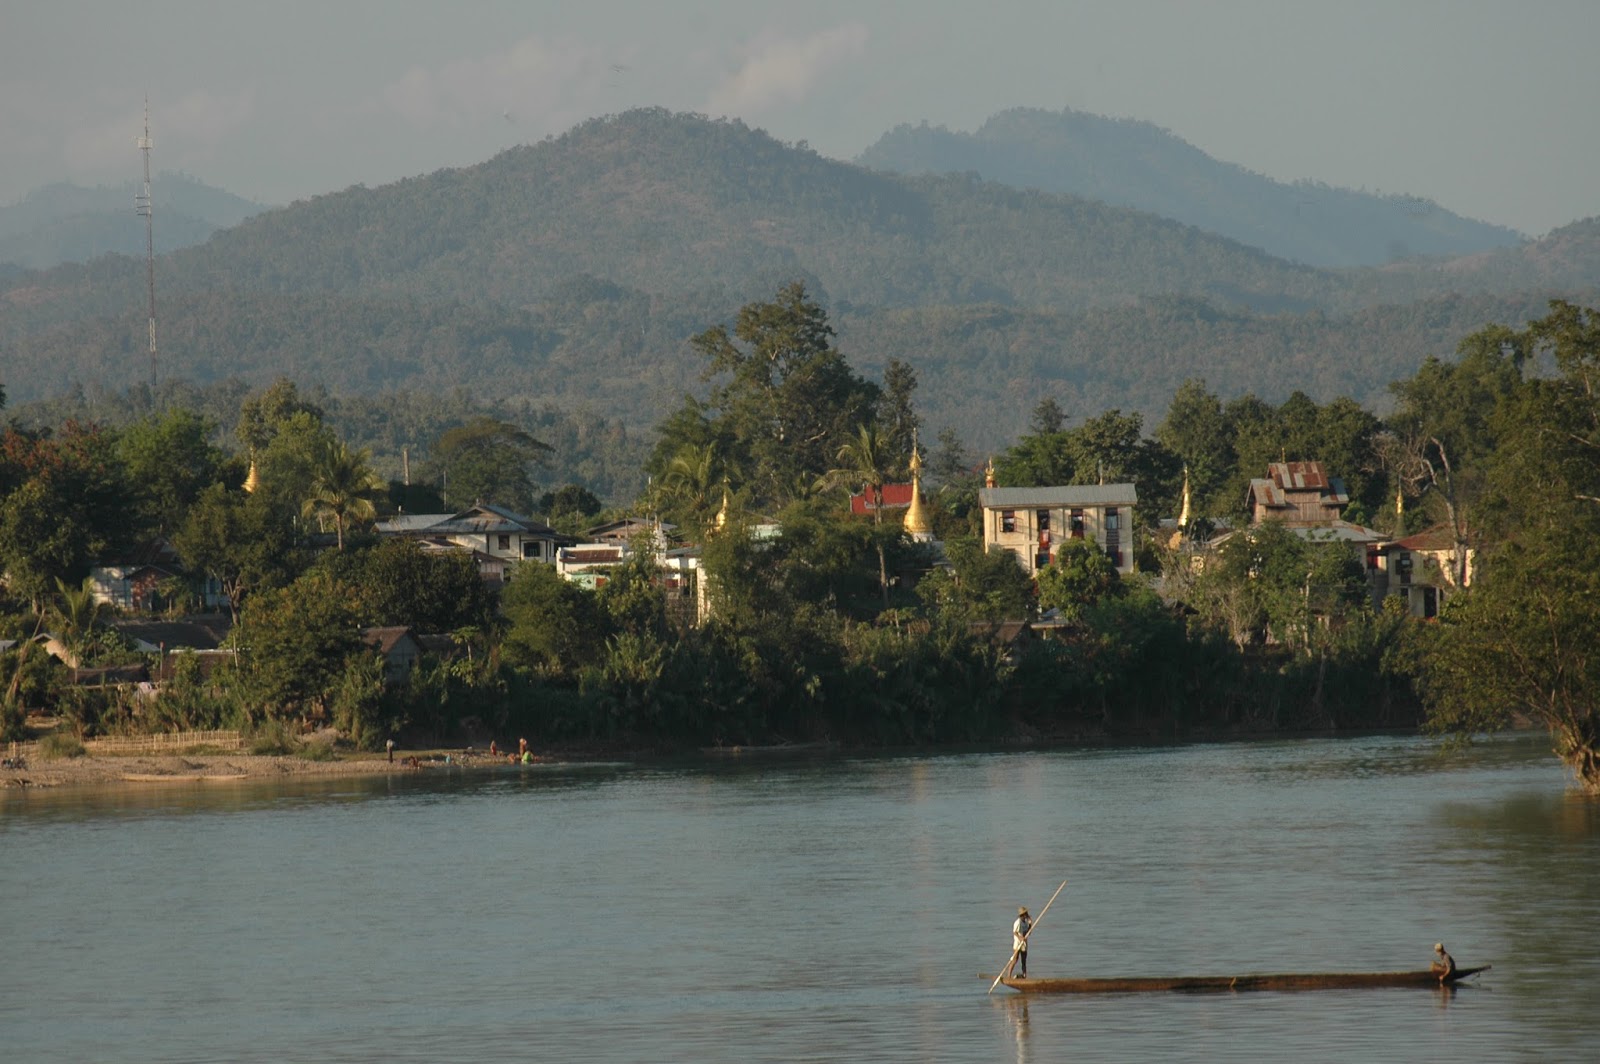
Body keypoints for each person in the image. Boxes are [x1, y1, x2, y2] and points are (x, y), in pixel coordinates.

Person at [1012, 907, 1032, 978]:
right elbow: (1014, 932)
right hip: (1017, 943)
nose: (1027, 915)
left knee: (1024, 961)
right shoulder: (1017, 922)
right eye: (1026, 914)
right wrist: (1020, 938)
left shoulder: (1025, 922)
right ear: (1022, 915)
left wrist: (1030, 924)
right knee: (1015, 960)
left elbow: (1028, 933)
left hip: (1024, 944)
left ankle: (1024, 976)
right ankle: (1008, 976)